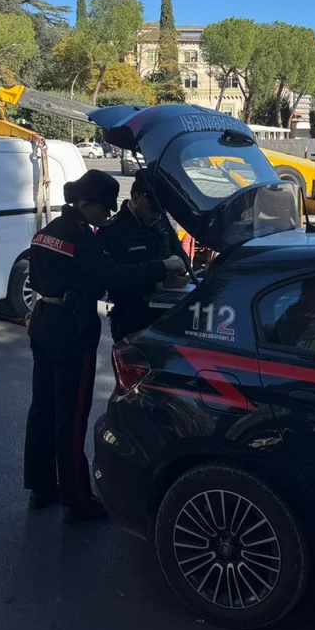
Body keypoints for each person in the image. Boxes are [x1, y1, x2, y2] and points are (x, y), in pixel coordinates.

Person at [23, 168, 185, 523]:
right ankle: (77, 498)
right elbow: (114, 276)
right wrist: (161, 266)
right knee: (72, 416)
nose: (108, 215)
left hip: (44, 323)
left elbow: (36, 279)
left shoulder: (45, 233)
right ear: (83, 204)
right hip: (72, 329)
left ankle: (40, 487)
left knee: (42, 410)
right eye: (103, 209)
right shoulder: (82, 239)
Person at [98, 169, 191, 344]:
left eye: (161, 210)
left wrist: (180, 272)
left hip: (165, 317)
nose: (157, 215)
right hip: (131, 320)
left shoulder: (160, 224)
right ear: (135, 197)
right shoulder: (113, 232)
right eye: (153, 209)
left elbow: (181, 256)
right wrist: (161, 271)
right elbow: (114, 278)